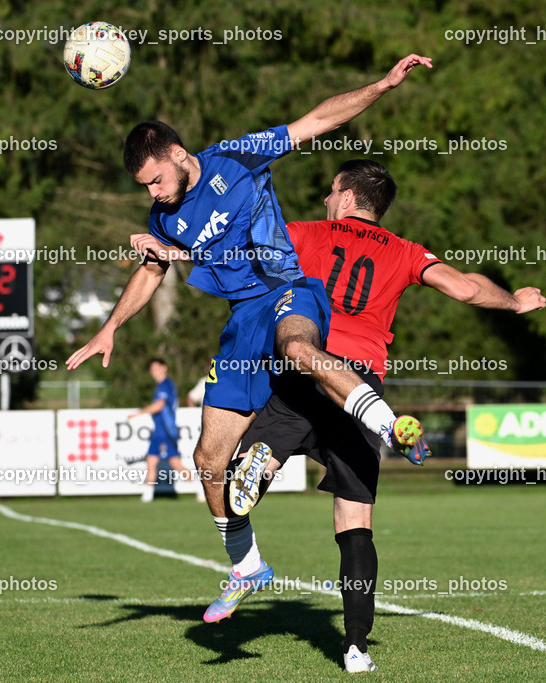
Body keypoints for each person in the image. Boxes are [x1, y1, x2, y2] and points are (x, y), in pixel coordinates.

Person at [66, 55, 434, 625]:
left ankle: (389, 425)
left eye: (157, 180)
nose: (156, 194)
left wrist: (382, 87)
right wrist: (109, 328)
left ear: (181, 157)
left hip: (289, 292)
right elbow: (151, 269)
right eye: (145, 188)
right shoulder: (165, 219)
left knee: (299, 351)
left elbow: (317, 121)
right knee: (209, 461)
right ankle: (247, 568)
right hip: (242, 323)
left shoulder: (236, 157)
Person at [227, 160, 546, 672]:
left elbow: (230, 244)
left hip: (309, 369)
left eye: (332, 192)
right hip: (362, 384)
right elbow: (465, 288)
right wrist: (513, 301)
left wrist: (168, 245)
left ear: (349, 198)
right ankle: (355, 647)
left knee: (239, 473)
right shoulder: (405, 251)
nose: (327, 200)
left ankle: (257, 470)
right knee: (354, 521)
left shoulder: (305, 233)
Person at [127, 358, 201, 502]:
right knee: (151, 461)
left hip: (166, 430)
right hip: (159, 430)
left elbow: (159, 406)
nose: (154, 372)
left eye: (156, 368)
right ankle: (147, 495)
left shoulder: (165, 385)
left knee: (174, 462)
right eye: (152, 369)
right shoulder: (163, 385)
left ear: (164, 368)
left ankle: (200, 488)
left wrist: (138, 413)